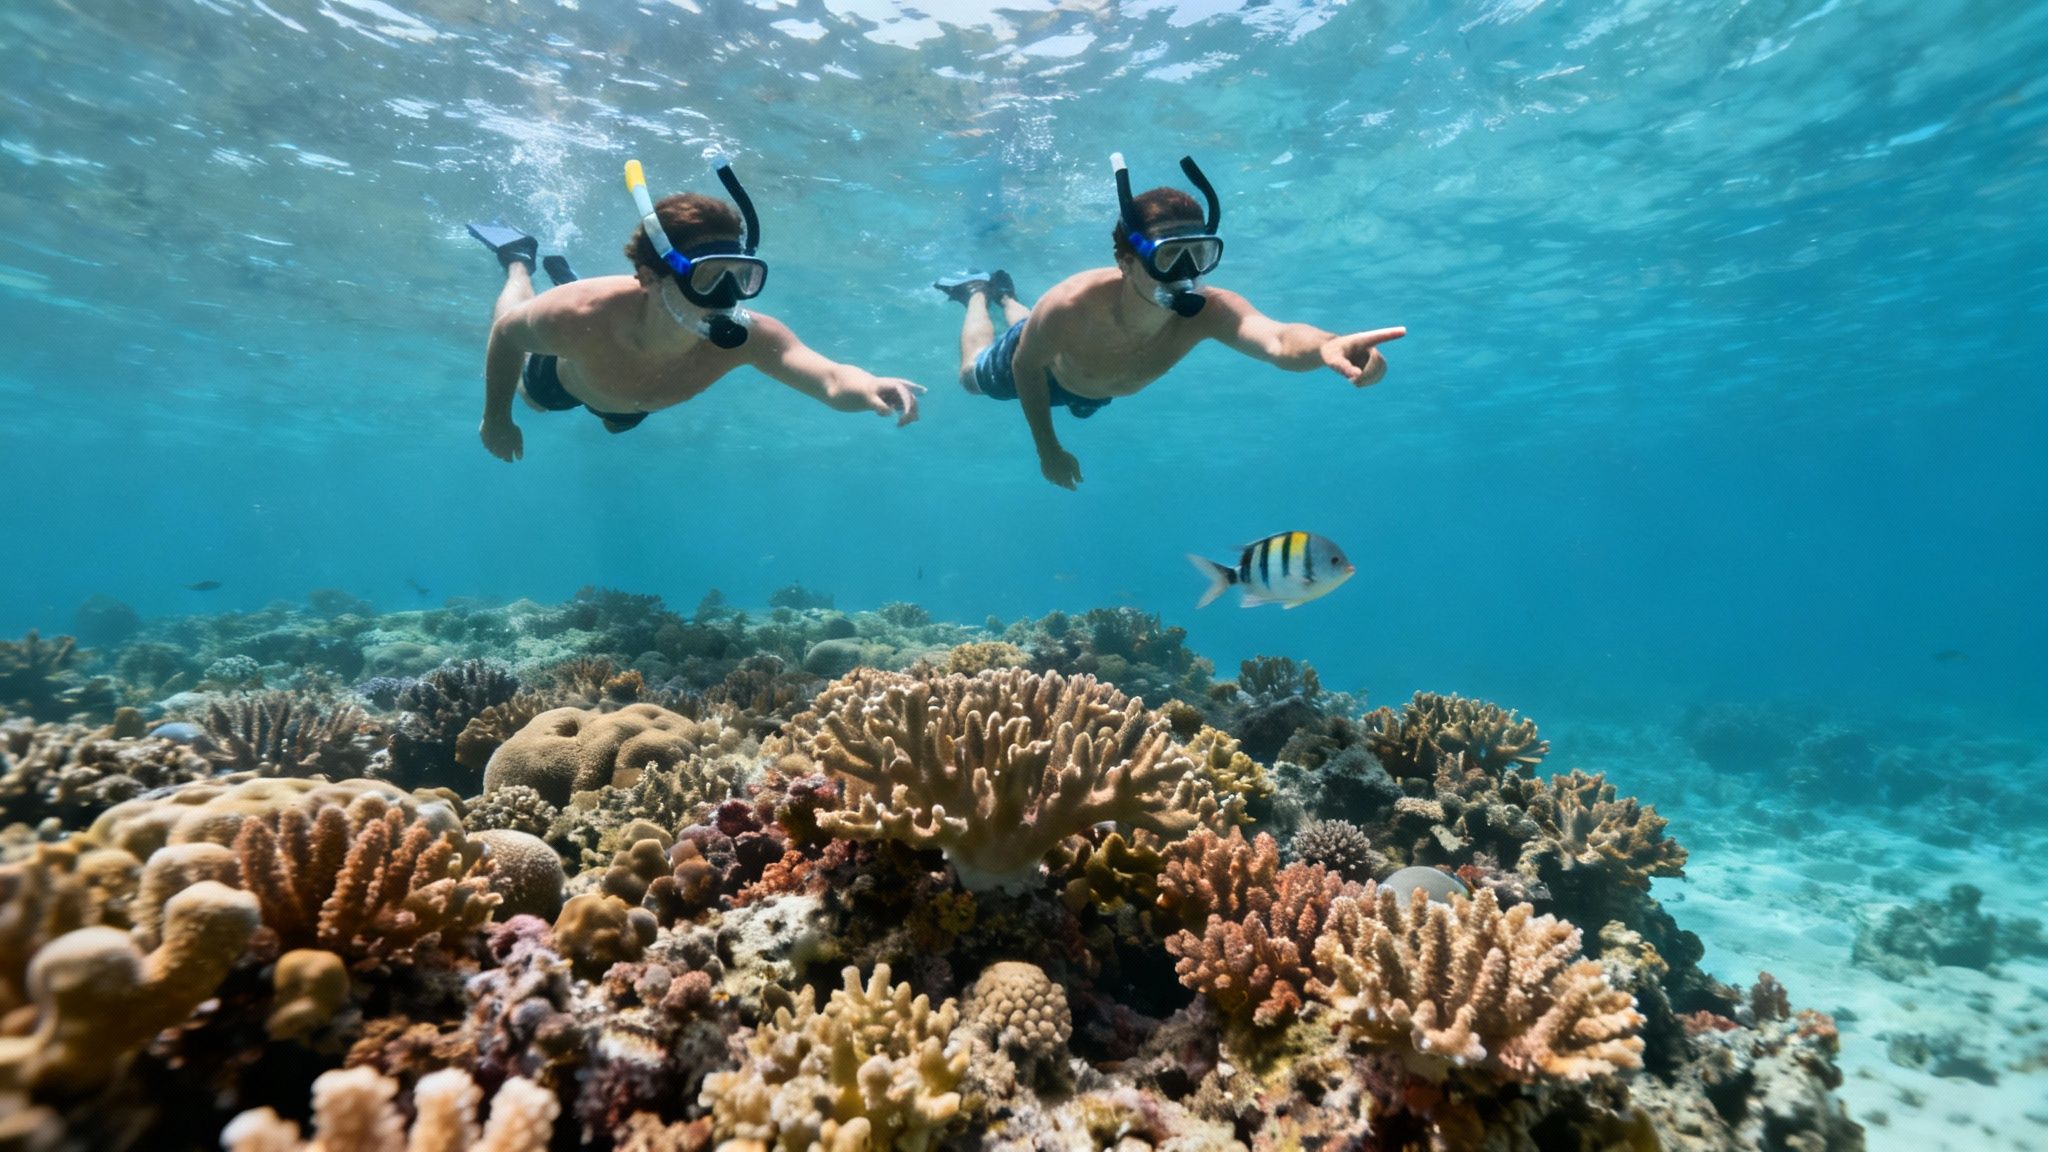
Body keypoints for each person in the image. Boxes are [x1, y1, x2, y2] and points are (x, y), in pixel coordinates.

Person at [936, 153, 1405, 489]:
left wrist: (1328, 346)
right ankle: (978, 292)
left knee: (1036, 330)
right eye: (1168, 257)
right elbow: (1025, 365)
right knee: (970, 376)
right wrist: (1048, 449)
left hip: (1091, 386)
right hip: (1044, 369)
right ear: (1125, 259)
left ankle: (1010, 297)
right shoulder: (1070, 305)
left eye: (1198, 255)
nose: (1186, 275)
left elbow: (1279, 340)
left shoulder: (1208, 312)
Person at [471, 157, 923, 461]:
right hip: (570, 378)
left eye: (740, 277)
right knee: (535, 401)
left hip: (627, 403)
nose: (727, 297)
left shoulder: (748, 336)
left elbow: (829, 379)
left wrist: (869, 386)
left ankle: (559, 272)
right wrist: (496, 419)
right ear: (650, 277)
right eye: (709, 278)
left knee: (614, 426)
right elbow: (507, 335)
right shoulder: (580, 316)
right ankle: (517, 258)